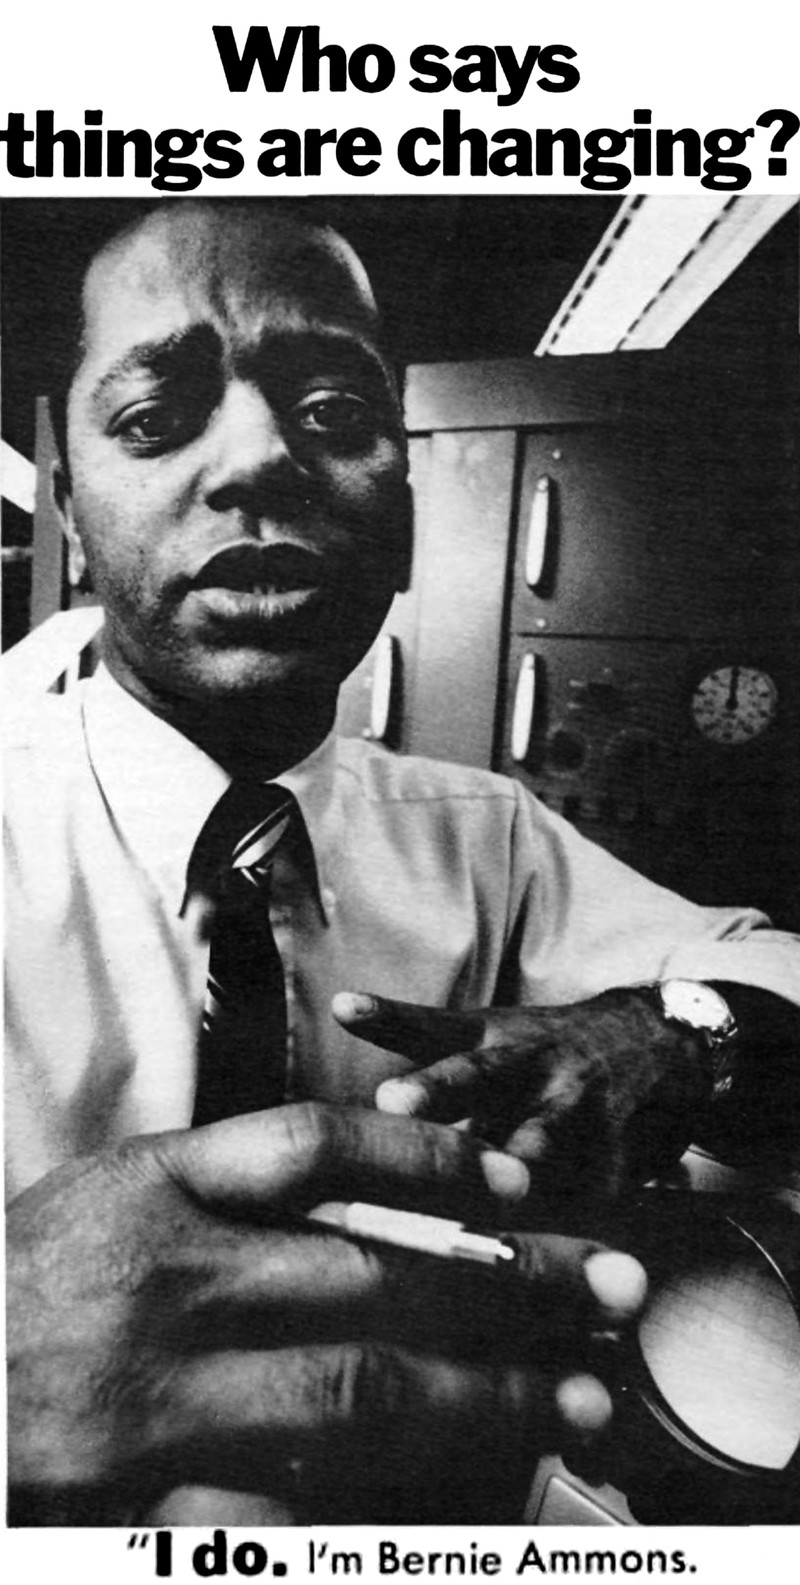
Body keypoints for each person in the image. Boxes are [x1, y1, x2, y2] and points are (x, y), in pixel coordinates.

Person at [5, 201, 799, 1527]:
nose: (260, 457)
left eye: (332, 413)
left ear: (410, 526)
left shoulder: (480, 838)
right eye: (152, 418)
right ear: (73, 514)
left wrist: (677, 1032)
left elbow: (765, 971)